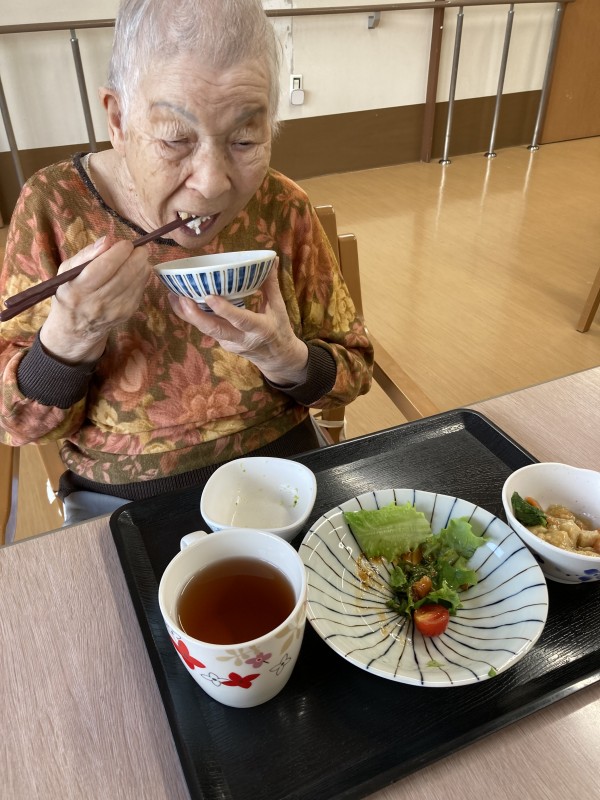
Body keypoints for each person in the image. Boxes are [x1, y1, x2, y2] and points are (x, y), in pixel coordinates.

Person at [0, 0, 373, 524]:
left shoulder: (282, 205)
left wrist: (285, 357)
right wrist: (72, 337)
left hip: (284, 474)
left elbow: (354, 371)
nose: (213, 183)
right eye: (176, 139)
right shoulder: (54, 207)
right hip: (123, 502)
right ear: (118, 119)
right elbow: (15, 423)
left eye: (244, 139)